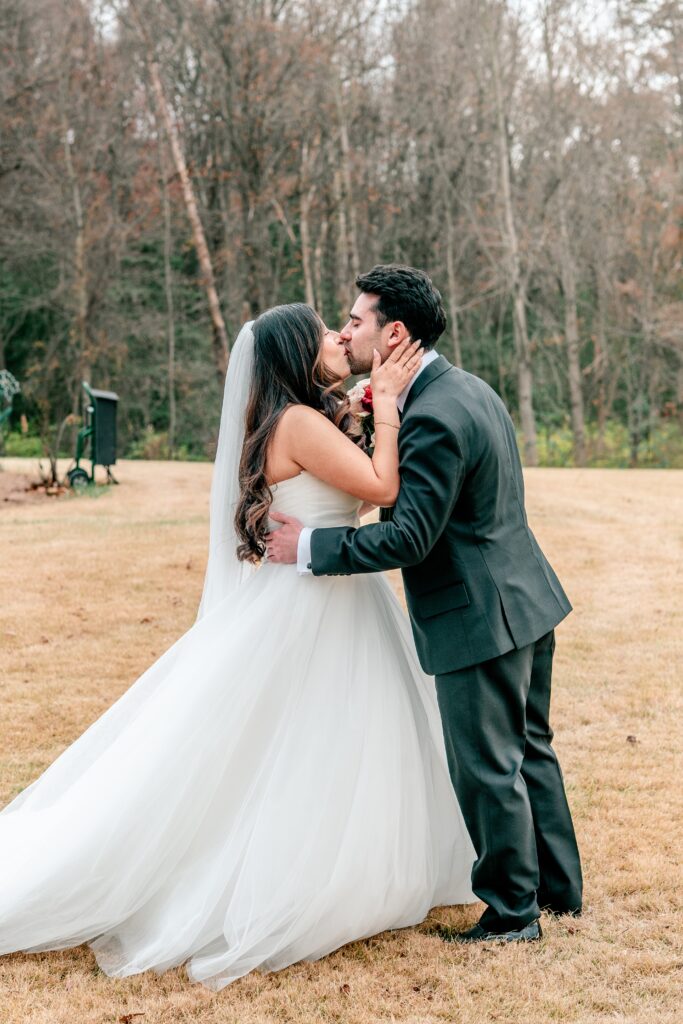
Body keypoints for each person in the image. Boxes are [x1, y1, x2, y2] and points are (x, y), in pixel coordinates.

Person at [0, 303, 476, 991]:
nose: (338, 336)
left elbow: (354, 496)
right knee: (303, 741)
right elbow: (380, 487)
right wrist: (393, 405)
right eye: (322, 332)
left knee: (325, 740)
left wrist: (370, 411)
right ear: (293, 352)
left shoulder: (301, 417)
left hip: (329, 588)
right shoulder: (299, 423)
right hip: (314, 602)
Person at [267, 266, 583, 943]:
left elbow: (409, 536)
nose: (345, 330)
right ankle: (557, 893)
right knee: (528, 752)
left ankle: (511, 914)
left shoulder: (432, 415)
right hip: (524, 598)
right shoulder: (461, 388)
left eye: (356, 320)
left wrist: (310, 548)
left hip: (479, 615)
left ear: (394, 333)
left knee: (487, 766)